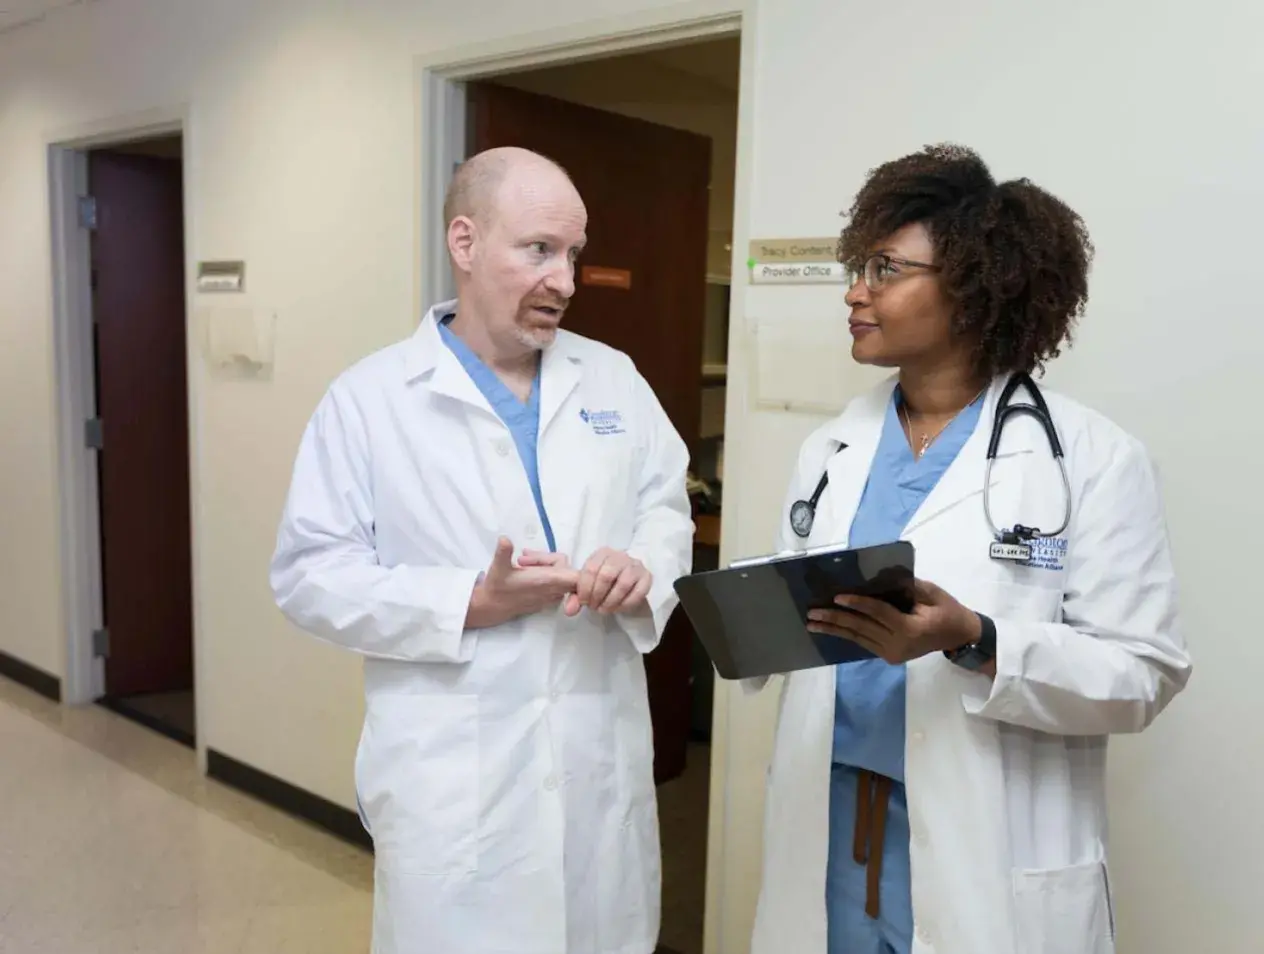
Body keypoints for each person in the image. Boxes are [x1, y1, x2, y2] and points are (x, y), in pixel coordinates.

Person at [746, 144, 1191, 954]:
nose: (855, 291)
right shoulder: (831, 450)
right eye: (859, 266)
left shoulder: (1091, 459)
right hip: (831, 822)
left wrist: (978, 641)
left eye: (885, 269)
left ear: (972, 287)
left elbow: (1142, 674)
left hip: (984, 843)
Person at [270, 146, 693, 954]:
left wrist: (644, 567)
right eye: (539, 250)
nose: (565, 280)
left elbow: (665, 508)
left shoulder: (613, 379)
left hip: (595, 759)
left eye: (573, 254)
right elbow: (309, 575)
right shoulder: (370, 400)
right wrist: (469, 602)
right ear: (464, 242)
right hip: (453, 784)